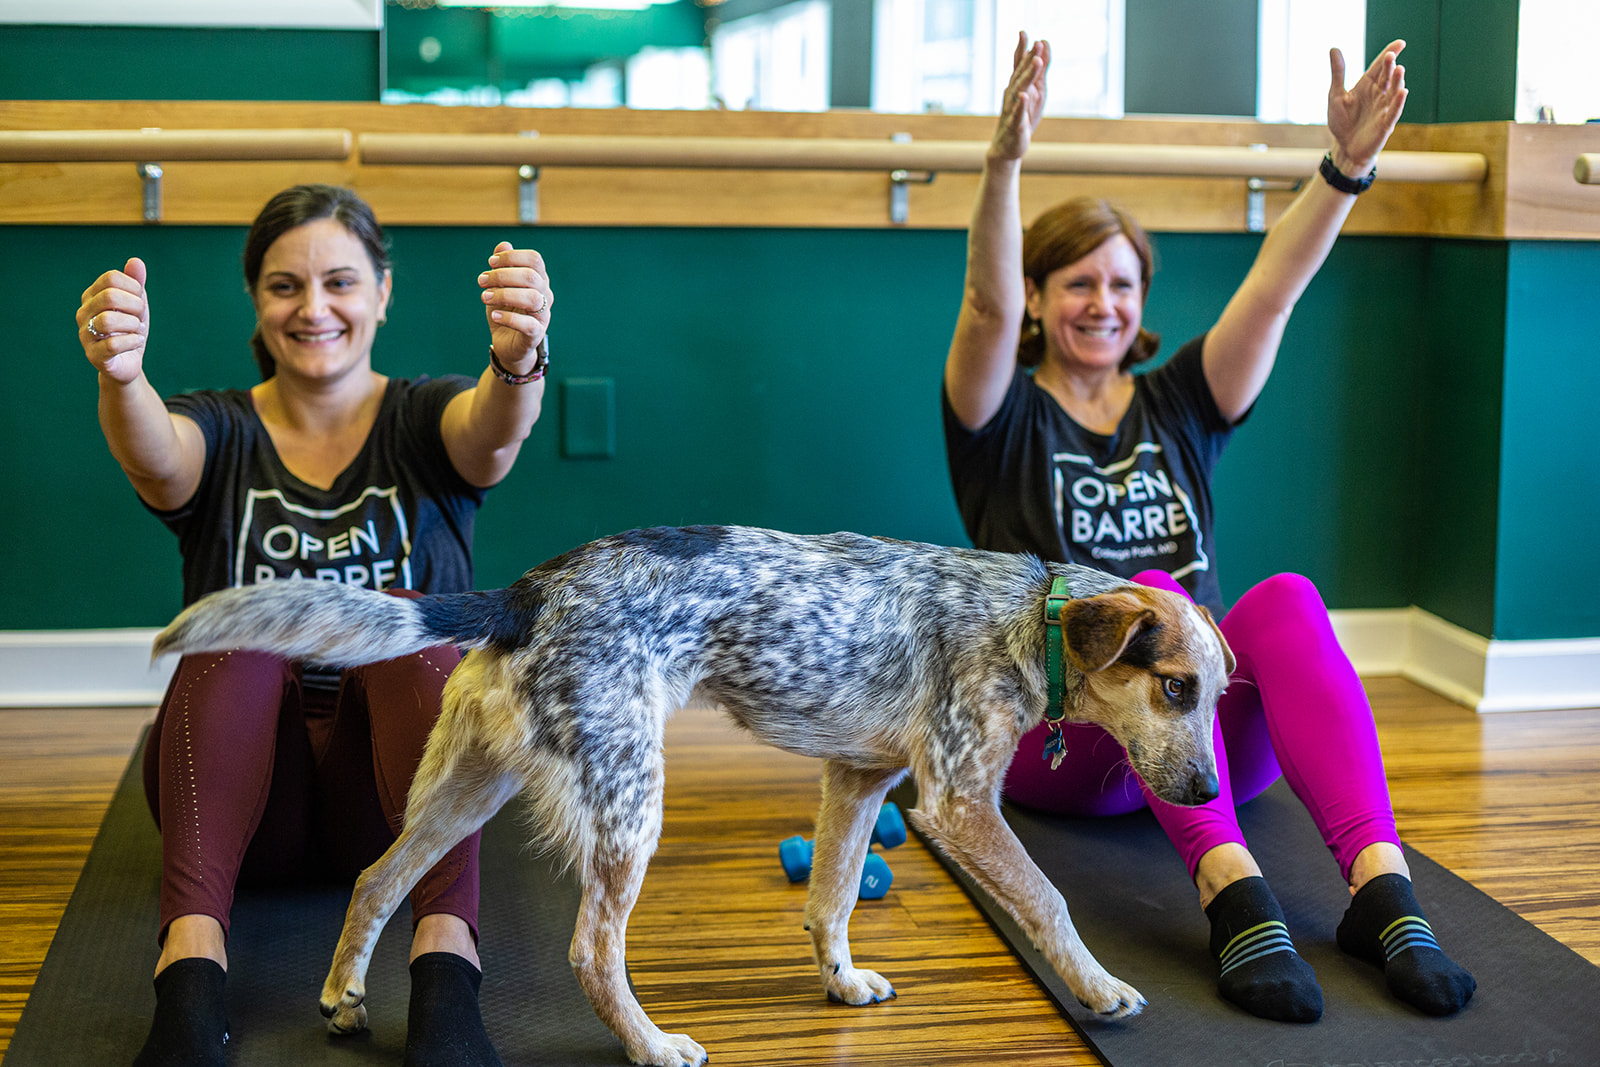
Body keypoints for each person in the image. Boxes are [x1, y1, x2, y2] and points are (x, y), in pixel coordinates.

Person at [942, 34, 1475, 1023]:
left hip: (1204, 735)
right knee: (1160, 590)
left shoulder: (1181, 399)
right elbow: (981, 301)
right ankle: (1233, 895)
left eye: (1120, 283)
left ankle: (1383, 895)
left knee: (1282, 602)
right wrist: (1005, 159)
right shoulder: (998, 417)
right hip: (1061, 739)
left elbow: (1273, 287)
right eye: (1077, 283)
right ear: (1041, 299)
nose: (1102, 303)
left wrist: (1346, 165)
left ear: (1141, 299)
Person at [76, 183, 552, 1066]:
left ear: (382, 291)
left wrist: (519, 361)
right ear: (257, 300)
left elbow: (490, 433)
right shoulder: (217, 425)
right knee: (248, 619)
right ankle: (188, 980)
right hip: (242, 807)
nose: (314, 307)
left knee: (403, 619)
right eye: (285, 286)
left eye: (340, 281)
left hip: (401, 805)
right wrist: (123, 376)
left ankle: (447, 976)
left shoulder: (422, 415)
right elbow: (154, 451)